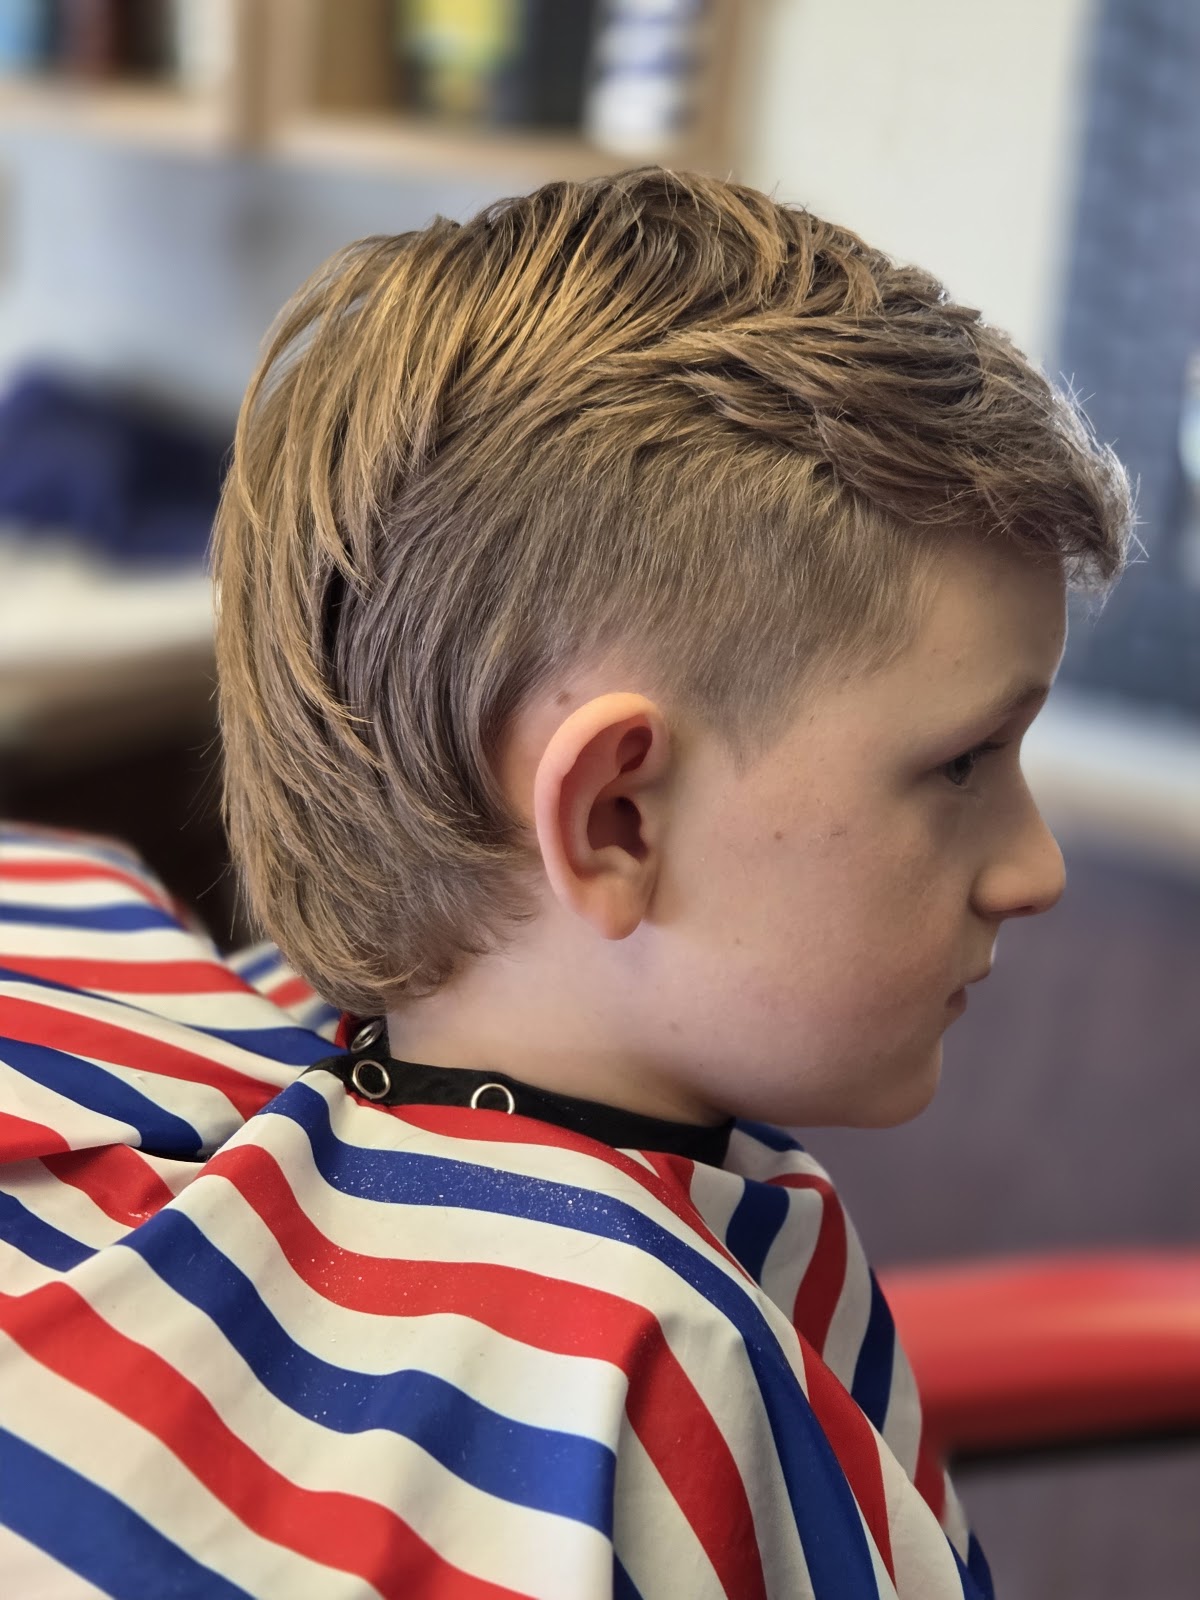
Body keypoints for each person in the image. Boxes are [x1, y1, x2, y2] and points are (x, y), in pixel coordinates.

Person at [0, 168, 1130, 1598]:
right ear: (616, 814)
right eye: (963, 766)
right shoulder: (659, 1398)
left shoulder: (85, 974)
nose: (1035, 870)